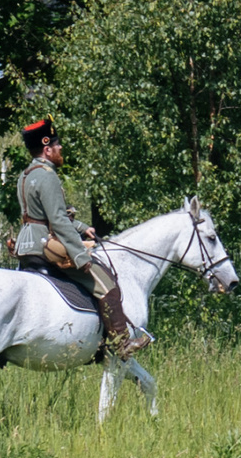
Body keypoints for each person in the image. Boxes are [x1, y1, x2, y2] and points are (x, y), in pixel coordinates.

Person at [15, 116, 147, 359]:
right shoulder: (47, 175)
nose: (60, 147)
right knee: (107, 285)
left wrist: (83, 227)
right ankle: (121, 343)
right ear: (47, 148)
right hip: (45, 246)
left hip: (26, 245)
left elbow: (41, 215)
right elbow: (57, 221)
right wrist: (79, 255)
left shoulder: (26, 175)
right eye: (56, 144)